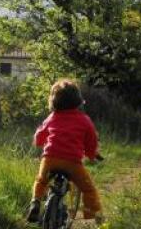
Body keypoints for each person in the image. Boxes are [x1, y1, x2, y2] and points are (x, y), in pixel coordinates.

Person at [27, 79, 103, 224]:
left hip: (49, 159)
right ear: (78, 101)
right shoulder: (84, 120)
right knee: (88, 189)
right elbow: (91, 141)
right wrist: (92, 155)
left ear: (54, 101)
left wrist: (39, 143)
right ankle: (95, 217)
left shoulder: (52, 117)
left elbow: (40, 135)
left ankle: (35, 202)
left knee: (41, 180)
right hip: (72, 163)